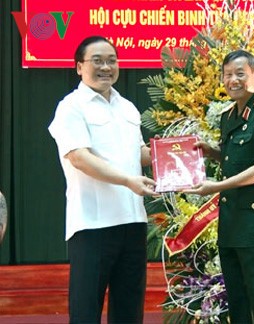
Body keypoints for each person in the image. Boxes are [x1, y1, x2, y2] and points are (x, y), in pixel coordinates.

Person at [48, 35, 156, 324]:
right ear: (79, 67)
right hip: (93, 225)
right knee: (86, 311)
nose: (106, 67)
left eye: (111, 60)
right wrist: (127, 181)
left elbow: (139, 154)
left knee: (129, 311)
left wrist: (173, 154)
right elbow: (79, 157)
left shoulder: (128, 107)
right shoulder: (71, 107)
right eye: (97, 61)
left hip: (133, 221)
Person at [185, 50, 254, 323]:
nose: (233, 80)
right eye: (228, 74)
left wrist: (216, 186)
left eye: (240, 73)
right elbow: (237, 158)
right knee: (237, 299)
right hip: (231, 224)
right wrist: (211, 151)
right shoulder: (228, 116)